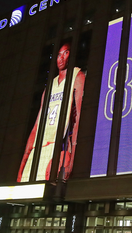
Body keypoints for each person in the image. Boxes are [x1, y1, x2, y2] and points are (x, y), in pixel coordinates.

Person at [18, 43, 86, 182]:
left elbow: (78, 119)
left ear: (71, 55)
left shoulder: (77, 76)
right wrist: (23, 162)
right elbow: (37, 125)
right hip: (38, 149)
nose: (61, 58)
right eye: (59, 54)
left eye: (65, 53)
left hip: (56, 147)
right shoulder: (50, 86)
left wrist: (72, 160)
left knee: (47, 194)